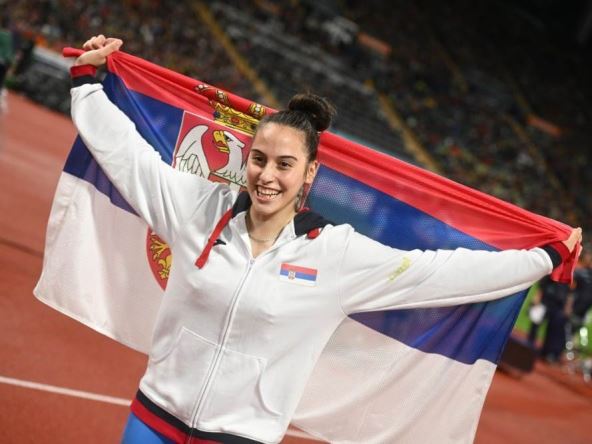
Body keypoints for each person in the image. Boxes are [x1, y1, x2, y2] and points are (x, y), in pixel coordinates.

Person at [70, 35, 582, 444]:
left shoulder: (335, 254)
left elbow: (438, 273)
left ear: (310, 172)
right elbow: (129, 159)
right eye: (259, 160)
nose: (267, 176)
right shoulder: (198, 210)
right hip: (153, 418)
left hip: (241, 437)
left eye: (285, 164)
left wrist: (543, 256)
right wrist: (88, 84)